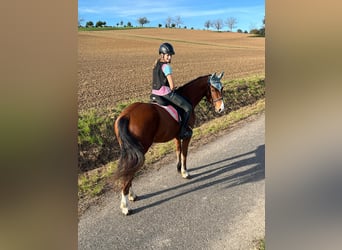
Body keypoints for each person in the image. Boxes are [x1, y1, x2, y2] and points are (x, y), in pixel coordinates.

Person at [151, 42, 193, 139]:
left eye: (170, 55)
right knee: (188, 107)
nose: (169, 57)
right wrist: (173, 88)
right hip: (165, 93)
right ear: (162, 55)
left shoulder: (156, 65)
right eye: (168, 55)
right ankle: (183, 132)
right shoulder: (166, 67)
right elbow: (172, 86)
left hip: (154, 93)